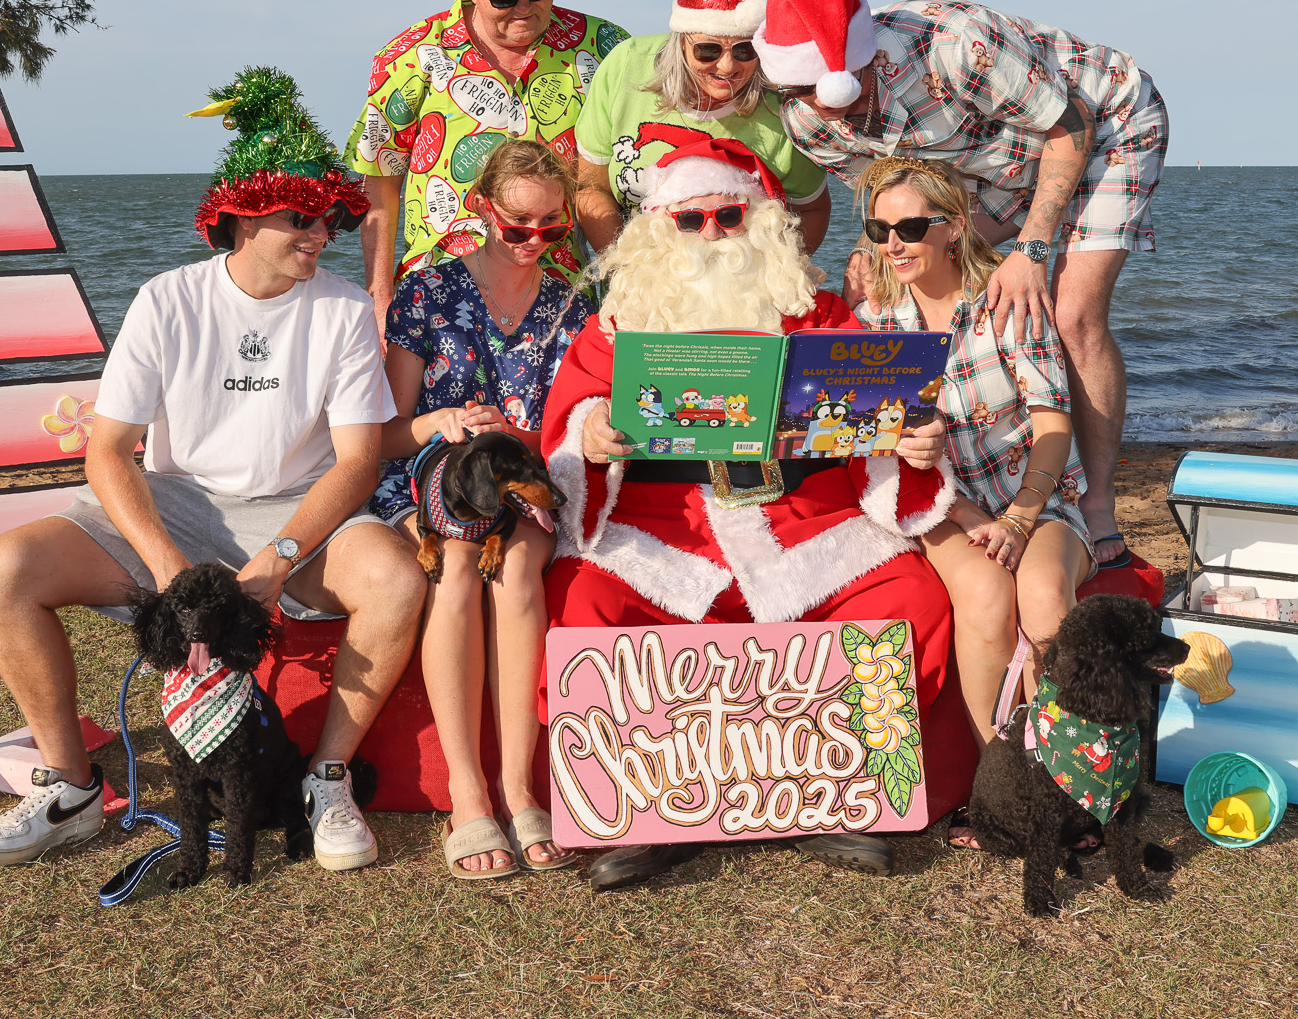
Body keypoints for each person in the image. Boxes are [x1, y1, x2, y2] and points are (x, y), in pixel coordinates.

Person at [0, 68, 426, 873]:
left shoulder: (346, 308)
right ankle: (70, 790)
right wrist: (168, 567)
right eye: (299, 218)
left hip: (296, 506)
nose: (320, 234)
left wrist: (281, 555)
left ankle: (325, 778)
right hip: (176, 503)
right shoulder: (166, 298)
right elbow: (108, 450)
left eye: (328, 218)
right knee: (4, 569)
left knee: (396, 579)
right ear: (241, 217)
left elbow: (356, 460)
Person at [539, 138, 959, 890]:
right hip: (663, 527)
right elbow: (568, 427)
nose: (711, 235)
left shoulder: (818, 314)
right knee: (580, 602)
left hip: (805, 520)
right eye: (689, 220)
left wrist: (911, 445)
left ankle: (840, 794)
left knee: (910, 597)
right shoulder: (618, 324)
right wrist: (591, 439)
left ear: (760, 219)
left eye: (728, 216)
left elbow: (877, 419)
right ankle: (641, 810)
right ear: (658, 228)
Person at [754, 0, 1168, 565]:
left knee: (1073, 316)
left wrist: (1031, 247)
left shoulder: (957, 44)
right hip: (993, 166)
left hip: (1101, 126)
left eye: (824, 90)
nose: (817, 107)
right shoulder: (808, 123)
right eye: (797, 93)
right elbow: (899, 194)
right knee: (927, 267)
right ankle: (970, 476)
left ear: (854, 63)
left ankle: (1097, 503)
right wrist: (871, 248)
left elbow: (1071, 126)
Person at [850, 156, 1093, 849]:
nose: (893, 244)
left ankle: (1065, 787)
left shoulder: (1007, 304)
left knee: (1043, 596)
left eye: (910, 228)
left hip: (1035, 497)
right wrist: (948, 496)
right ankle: (1000, 792)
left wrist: (1018, 516)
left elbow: (1053, 426)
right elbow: (866, 444)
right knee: (985, 593)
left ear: (954, 226)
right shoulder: (873, 324)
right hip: (936, 503)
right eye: (879, 230)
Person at [368, 139, 593, 879]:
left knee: (519, 569)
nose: (533, 242)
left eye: (552, 228)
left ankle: (519, 787)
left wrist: (519, 437)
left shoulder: (572, 302)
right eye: (517, 225)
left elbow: (574, 427)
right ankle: (468, 792)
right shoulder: (427, 294)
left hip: (527, 481)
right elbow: (387, 434)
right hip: (434, 480)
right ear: (480, 208)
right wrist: (441, 422)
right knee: (458, 562)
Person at [341, 0, 630, 331]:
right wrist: (379, 300)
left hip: (561, 298)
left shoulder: (605, 47)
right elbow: (380, 185)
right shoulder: (410, 56)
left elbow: (629, 169)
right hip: (437, 299)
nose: (525, 7)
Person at [574, 0, 830, 253]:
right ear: (681, 42)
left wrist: (779, 275)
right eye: (708, 50)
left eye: (745, 50)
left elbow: (811, 209)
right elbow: (591, 186)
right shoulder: (626, 67)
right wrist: (625, 268)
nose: (727, 66)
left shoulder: (783, 104)